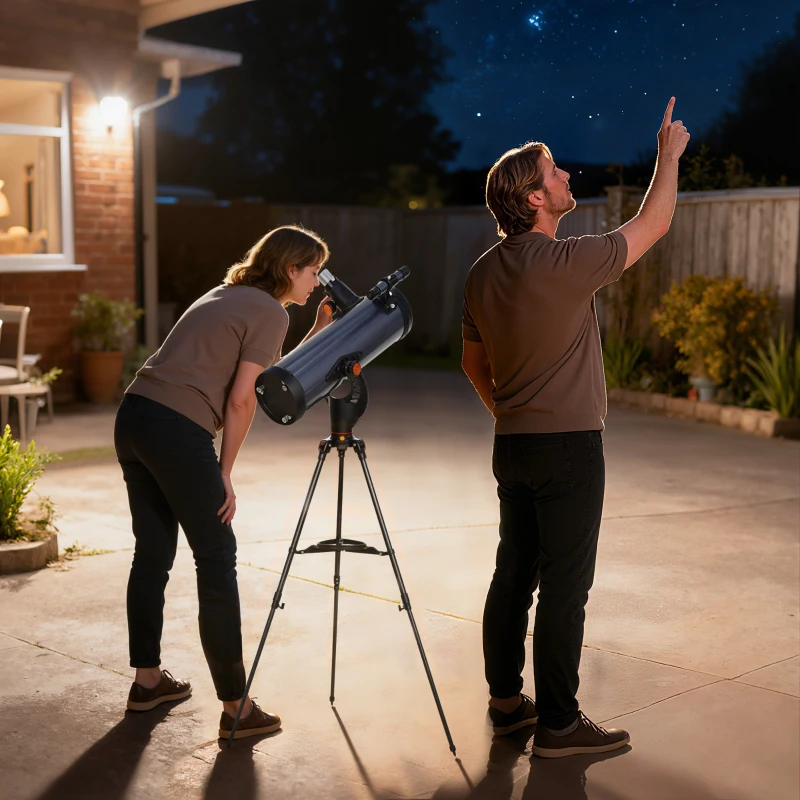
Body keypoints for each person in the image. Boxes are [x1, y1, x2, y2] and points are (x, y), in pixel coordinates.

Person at [461, 98, 690, 758]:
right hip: (568, 451)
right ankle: (559, 724)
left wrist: (509, 416)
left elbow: (474, 363)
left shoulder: (482, 273)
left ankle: (508, 706)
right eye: (555, 172)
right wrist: (668, 156)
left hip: (514, 447)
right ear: (534, 197)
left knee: (513, 575)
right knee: (565, 588)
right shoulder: (564, 262)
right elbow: (655, 222)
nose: (566, 178)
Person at [115, 224, 333, 740]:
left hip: (135, 415)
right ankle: (237, 707)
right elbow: (242, 399)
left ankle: (148, 683)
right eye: (312, 270)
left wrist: (317, 333)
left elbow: (262, 373)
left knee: (151, 553)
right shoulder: (268, 310)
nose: (317, 281)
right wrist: (224, 472)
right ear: (288, 269)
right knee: (216, 558)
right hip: (176, 429)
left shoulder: (229, 295)